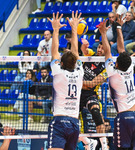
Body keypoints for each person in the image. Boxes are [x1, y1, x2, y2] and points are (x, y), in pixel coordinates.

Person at [98, 16, 135, 149]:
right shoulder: (130, 66)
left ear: (116, 63)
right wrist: (118, 28)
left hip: (124, 116)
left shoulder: (113, 72)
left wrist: (103, 34)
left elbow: (107, 51)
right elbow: (122, 49)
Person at [47, 11, 84, 150]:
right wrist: (74, 28)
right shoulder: (80, 72)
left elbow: (54, 51)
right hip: (74, 122)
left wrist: (55, 29)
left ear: (61, 64)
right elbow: (75, 51)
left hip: (60, 121)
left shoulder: (58, 72)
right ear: (75, 63)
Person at [79, 39, 109, 150]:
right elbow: (84, 50)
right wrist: (84, 45)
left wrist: (76, 82)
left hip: (90, 94)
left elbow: (92, 84)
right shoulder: (91, 54)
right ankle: (87, 141)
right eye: (99, 47)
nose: (100, 50)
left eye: (103, 48)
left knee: (96, 113)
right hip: (77, 93)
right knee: (70, 122)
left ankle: (104, 146)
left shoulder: (106, 67)